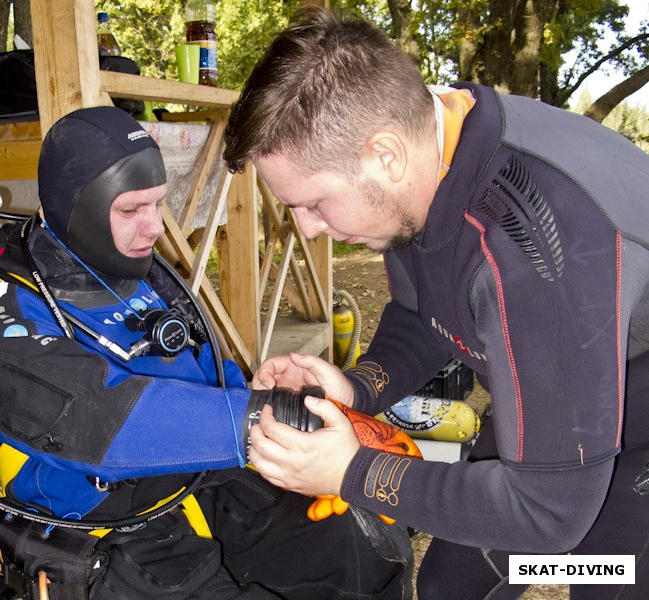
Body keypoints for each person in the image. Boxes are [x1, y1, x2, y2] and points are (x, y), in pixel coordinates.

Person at [223, 7, 649, 600]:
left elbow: (549, 514)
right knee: (452, 581)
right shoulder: (433, 151)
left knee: (606, 577)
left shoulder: (538, 246)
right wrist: (358, 388)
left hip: (632, 423)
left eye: (315, 203)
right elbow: (424, 311)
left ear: (384, 155)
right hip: (561, 391)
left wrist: (353, 473)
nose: (309, 229)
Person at [0, 105, 414, 599]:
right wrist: (265, 418)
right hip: (104, 529)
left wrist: (266, 398)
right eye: (130, 210)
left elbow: (202, 369)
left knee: (363, 550)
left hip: (198, 483)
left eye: (157, 205)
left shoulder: (144, 280)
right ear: (71, 204)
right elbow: (97, 421)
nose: (155, 229)